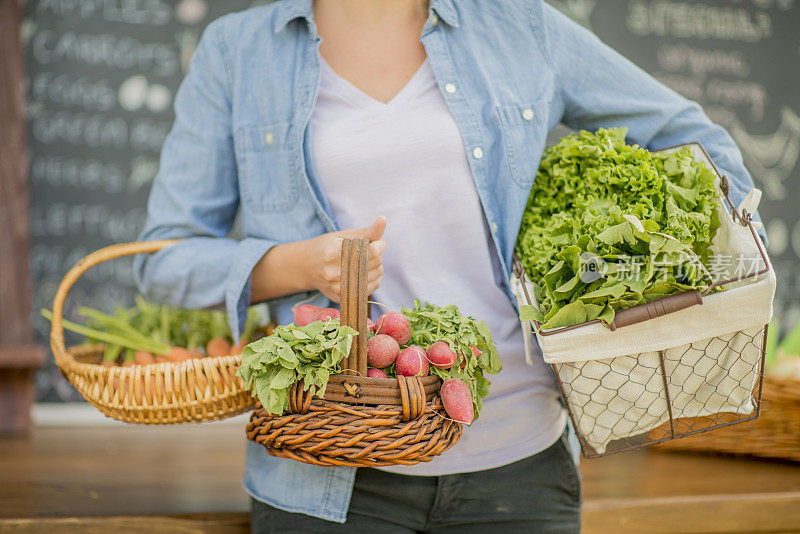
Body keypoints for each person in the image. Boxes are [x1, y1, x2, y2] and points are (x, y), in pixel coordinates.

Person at [134, 0, 760, 532]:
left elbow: (696, 142)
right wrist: (302, 264)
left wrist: (645, 270)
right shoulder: (238, 52)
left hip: (519, 466)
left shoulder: (519, 26)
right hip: (326, 478)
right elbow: (164, 258)